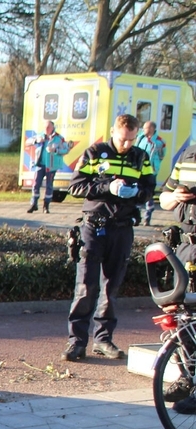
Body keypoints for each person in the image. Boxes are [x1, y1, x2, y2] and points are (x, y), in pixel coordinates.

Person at [62, 114, 156, 362]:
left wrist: (137, 193)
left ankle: (103, 339)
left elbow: (149, 189)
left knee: (111, 288)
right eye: (123, 139)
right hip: (95, 227)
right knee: (86, 286)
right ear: (113, 131)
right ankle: (77, 342)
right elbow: (76, 186)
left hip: (123, 228)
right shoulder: (95, 152)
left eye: (131, 140)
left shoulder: (141, 157)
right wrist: (108, 188)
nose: (126, 145)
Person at [158, 141, 196, 412]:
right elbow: (164, 199)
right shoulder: (189, 154)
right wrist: (176, 197)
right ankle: (188, 375)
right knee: (183, 316)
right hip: (186, 249)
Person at [28, 120, 71, 214]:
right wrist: (36, 141)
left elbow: (66, 150)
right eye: (45, 127)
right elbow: (28, 142)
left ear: (52, 127)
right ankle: (33, 203)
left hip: (51, 166)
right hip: (40, 164)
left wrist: (55, 150)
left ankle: (46, 206)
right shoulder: (40, 135)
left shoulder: (59, 138)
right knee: (36, 184)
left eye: (48, 127)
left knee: (49, 186)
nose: (46, 129)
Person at [135, 120, 167, 225]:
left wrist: (155, 164)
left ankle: (147, 217)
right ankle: (136, 216)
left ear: (152, 128)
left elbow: (162, 155)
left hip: (151, 170)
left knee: (148, 192)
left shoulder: (159, 141)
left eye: (146, 128)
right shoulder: (140, 138)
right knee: (138, 191)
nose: (143, 130)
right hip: (139, 170)